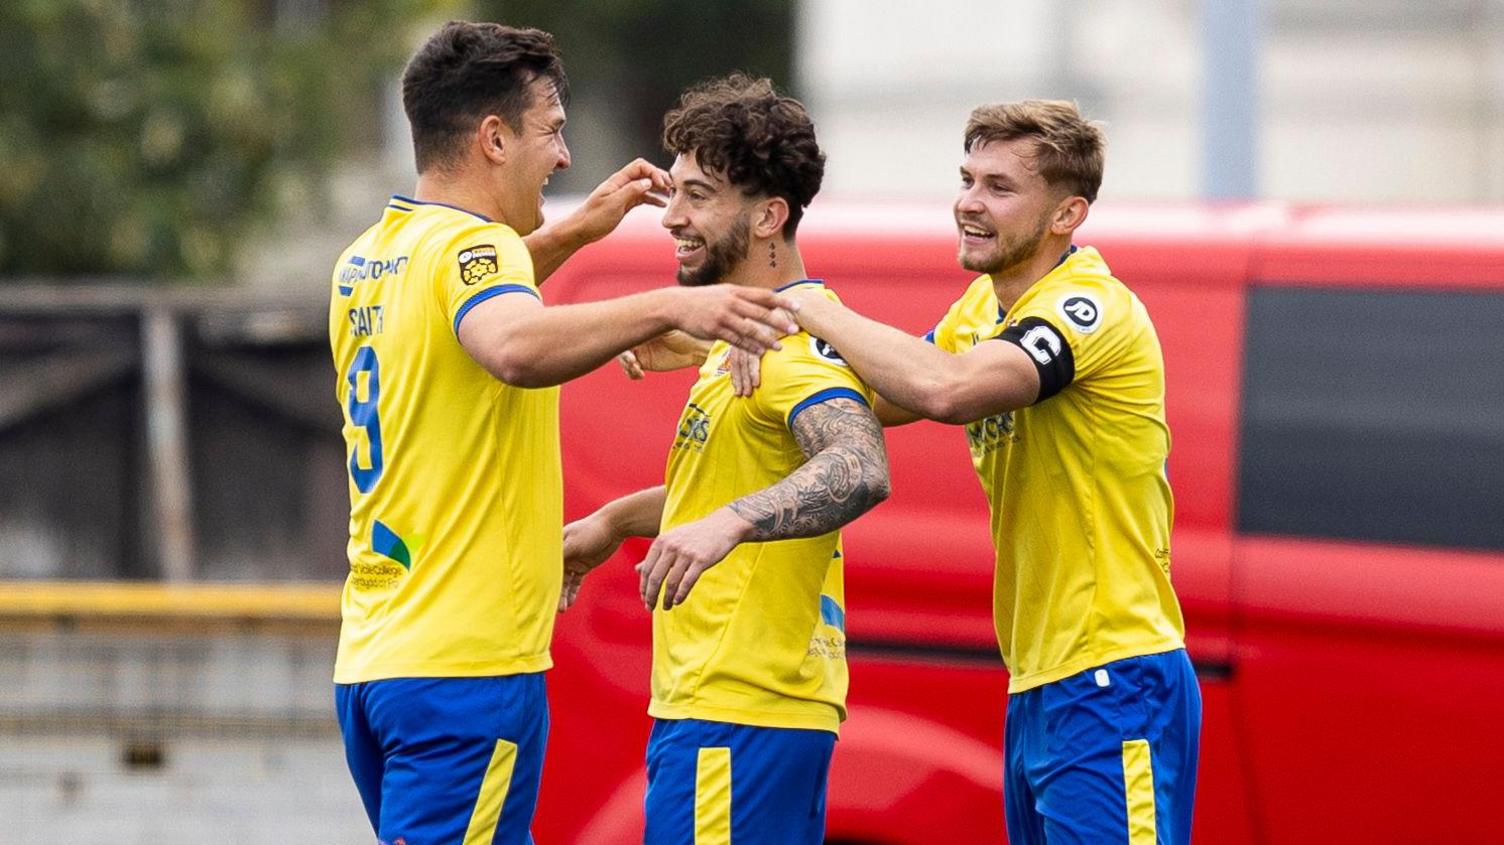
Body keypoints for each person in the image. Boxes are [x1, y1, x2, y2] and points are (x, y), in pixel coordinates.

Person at [328, 23, 799, 845]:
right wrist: (670, 304)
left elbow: (473, 300)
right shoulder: (476, 251)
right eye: (552, 130)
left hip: (376, 660)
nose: (566, 157)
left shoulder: (373, 256)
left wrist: (578, 232)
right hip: (466, 667)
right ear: (494, 137)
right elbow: (508, 343)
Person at [755, 100, 1201, 843]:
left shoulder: (1089, 305)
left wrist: (807, 301)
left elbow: (948, 389)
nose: (967, 202)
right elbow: (879, 389)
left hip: (1114, 674)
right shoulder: (981, 310)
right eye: (966, 179)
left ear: (1067, 214)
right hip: (1040, 682)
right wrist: (726, 334)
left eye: (998, 186)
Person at [559, 74, 890, 845]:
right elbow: (729, 486)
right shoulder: (745, 335)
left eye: (697, 195)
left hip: (737, 717)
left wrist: (731, 523)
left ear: (770, 214)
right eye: (673, 192)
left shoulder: (788, 348)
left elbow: (860, 464)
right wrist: (613, 520)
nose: (671, 216)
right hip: (737, 715)